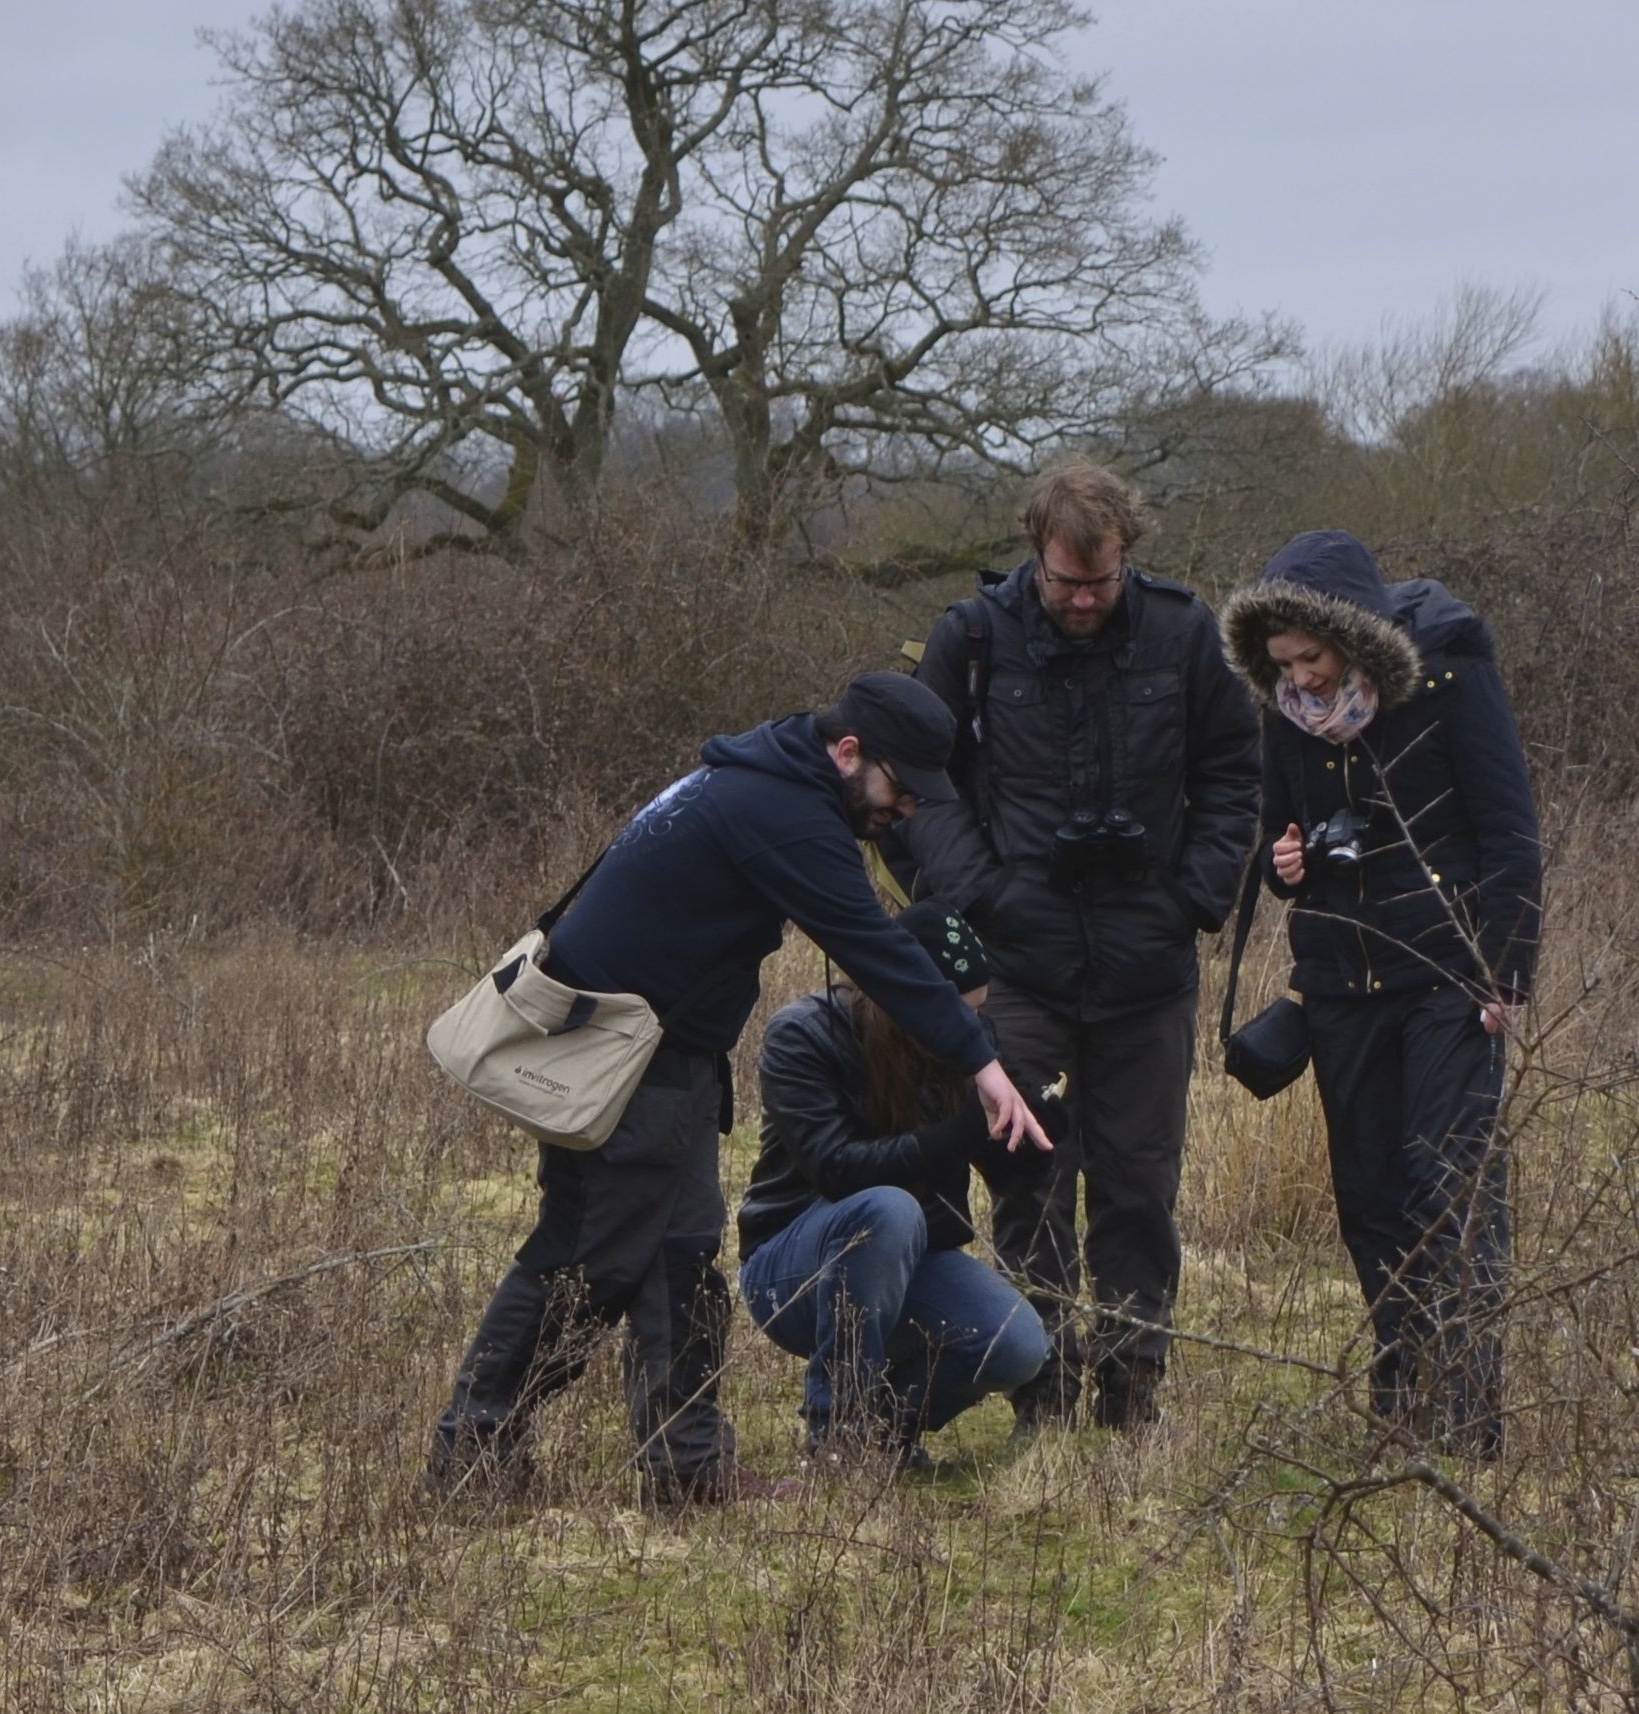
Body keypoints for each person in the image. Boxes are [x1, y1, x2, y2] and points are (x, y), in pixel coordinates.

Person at [428, 672, 1050, 1507]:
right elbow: (875, 947)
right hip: (626, 1059)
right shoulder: (782, 812)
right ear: (849, 752)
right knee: (587, 1262)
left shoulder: (762, 776)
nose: (905, 812)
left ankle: (686, 1467)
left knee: (681, 1260)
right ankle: (473, 1454)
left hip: (667, 1056)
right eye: (901, 790)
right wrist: (982, 1062)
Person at [899, 462, 1261, 1431]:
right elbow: (920, 786)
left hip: (1149, 965)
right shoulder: (974, 638)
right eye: (1067, 582)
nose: (1086, 600)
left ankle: (1134, 1389)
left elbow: (1236, 772)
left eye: (1101, 581)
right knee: (1029, 1179)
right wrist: (984, 894)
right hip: (1021, 964)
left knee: (1140, 1186)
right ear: (1036, 554)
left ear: (1127, 555)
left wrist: (1192, 896)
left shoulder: (1184, 633)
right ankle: (1044, 1388)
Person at [1220, 531, 1542, 1457]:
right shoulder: (1284, 710)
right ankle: (1404, 1393)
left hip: (1449, 974)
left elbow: (1510, 830)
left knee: (1451, 1188)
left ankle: (1466, 1417)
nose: (1300, 680)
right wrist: (1285, 862)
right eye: (1282, 664)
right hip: (1340, 979)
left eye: (1311, 659)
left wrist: (1505, 974)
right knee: (1369, 1196)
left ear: (1351, 634)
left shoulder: (1451, 672)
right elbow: (1283, 839)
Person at [737, 898, 1052, 1471]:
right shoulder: (803, 1035)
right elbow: (836, 1169)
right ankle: (839, 1435)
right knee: (889, 1210)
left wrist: (1032, 1138)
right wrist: (960, 1131)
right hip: (791, 1267)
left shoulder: (968, 1046)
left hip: (913, 1260)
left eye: (977, 1014)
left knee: (1018, 1345)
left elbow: (1007, 1181)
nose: (969, 1029)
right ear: (909, 997)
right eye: (958, 1013)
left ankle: (884, 1434)